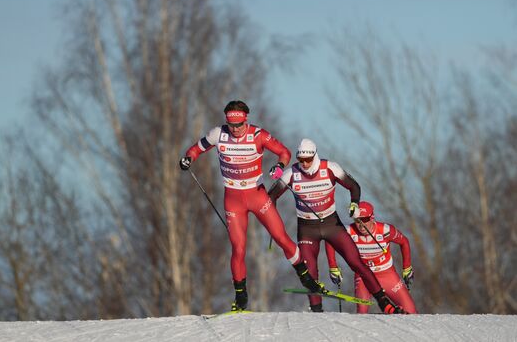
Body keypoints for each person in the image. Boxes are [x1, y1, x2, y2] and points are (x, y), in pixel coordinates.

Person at [179, 101, 324, 312]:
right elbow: (196, 149)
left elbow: (284, 152)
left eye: (238, 124)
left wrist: (279, 166)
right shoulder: (218, 134)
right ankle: (241, 296)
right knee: (238, 248)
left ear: (245, 119)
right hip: (233, 198)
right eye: (231, 124)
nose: (235, 129)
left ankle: (306, 278)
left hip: (257, 195)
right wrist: (187, 159)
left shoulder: (258, 135)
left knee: (281, 238)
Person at [268, 138, 405, 314]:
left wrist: (354, 204)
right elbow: (271, 196)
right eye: (301, 160)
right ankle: (317, 311)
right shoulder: (291, 174)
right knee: (310, 270)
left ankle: (384, 303)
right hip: (307, 229)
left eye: (308, 160)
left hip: (331, 224)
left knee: (356, 262)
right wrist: (272, 218)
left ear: (315, 156)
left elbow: (353, 186)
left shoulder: (330, 168)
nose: (305, 164)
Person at [325, 201, 417, 313]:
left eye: (364, 220)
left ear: (372, 218)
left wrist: (407, 268)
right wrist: (333, 267)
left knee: (411, 312)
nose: (361, 224)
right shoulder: (348, 231)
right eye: (357, 220)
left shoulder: (385, 230)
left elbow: (404, 242)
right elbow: (330, 241)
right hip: (363, 276)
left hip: (387, 274)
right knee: (362, 311)